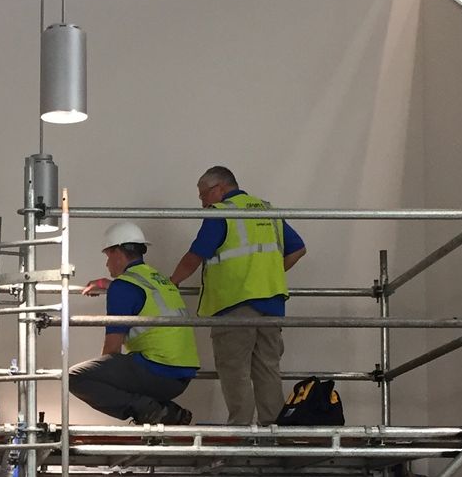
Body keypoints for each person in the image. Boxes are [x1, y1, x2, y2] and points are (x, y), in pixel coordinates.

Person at [168, 165, 305, 424]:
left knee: (235, 370)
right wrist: (268, 275)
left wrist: (173, 281)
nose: (202, 204)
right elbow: (298, 249)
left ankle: (240, 431)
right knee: (268, 369)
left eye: (202, 196)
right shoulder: (267, 210)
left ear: (218, 188)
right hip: (272, 306)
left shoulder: (222, 213)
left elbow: (196, 255)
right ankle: (273, 432)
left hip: (234, 304)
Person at [72, 222, 199, 425]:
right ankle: (165, 411)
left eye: (107, 256)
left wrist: (107, 380)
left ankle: (150, 409)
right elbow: (140, 296)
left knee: (75, 377)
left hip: (157, 369)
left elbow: (112, 350)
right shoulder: (158, 279)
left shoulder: (123, 287)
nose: (107, 264)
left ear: (118, 254)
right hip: (182, 374)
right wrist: (107, 284)